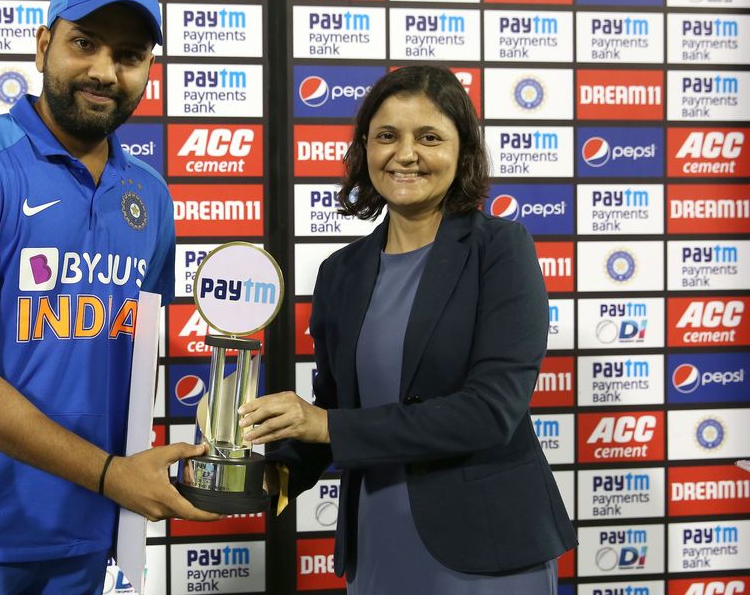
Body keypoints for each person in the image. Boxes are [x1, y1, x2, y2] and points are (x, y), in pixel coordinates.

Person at [0, 0, 218, 592]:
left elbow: (131, 362)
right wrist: (110, 475)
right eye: (84, 43)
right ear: (43, 47)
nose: (104, 71)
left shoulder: (151, 195)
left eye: (129, 56)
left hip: (84, 531)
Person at [238, 65, 576, 594]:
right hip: (376, 546)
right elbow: (337, 410)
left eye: (429, 137)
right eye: (387, 136)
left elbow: (490, 412)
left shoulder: (501, 249)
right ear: (364, 149)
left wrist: (327, 426)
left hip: (485, 554)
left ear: (463, 151)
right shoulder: (340, 272)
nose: (406, 154)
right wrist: (255, 482)